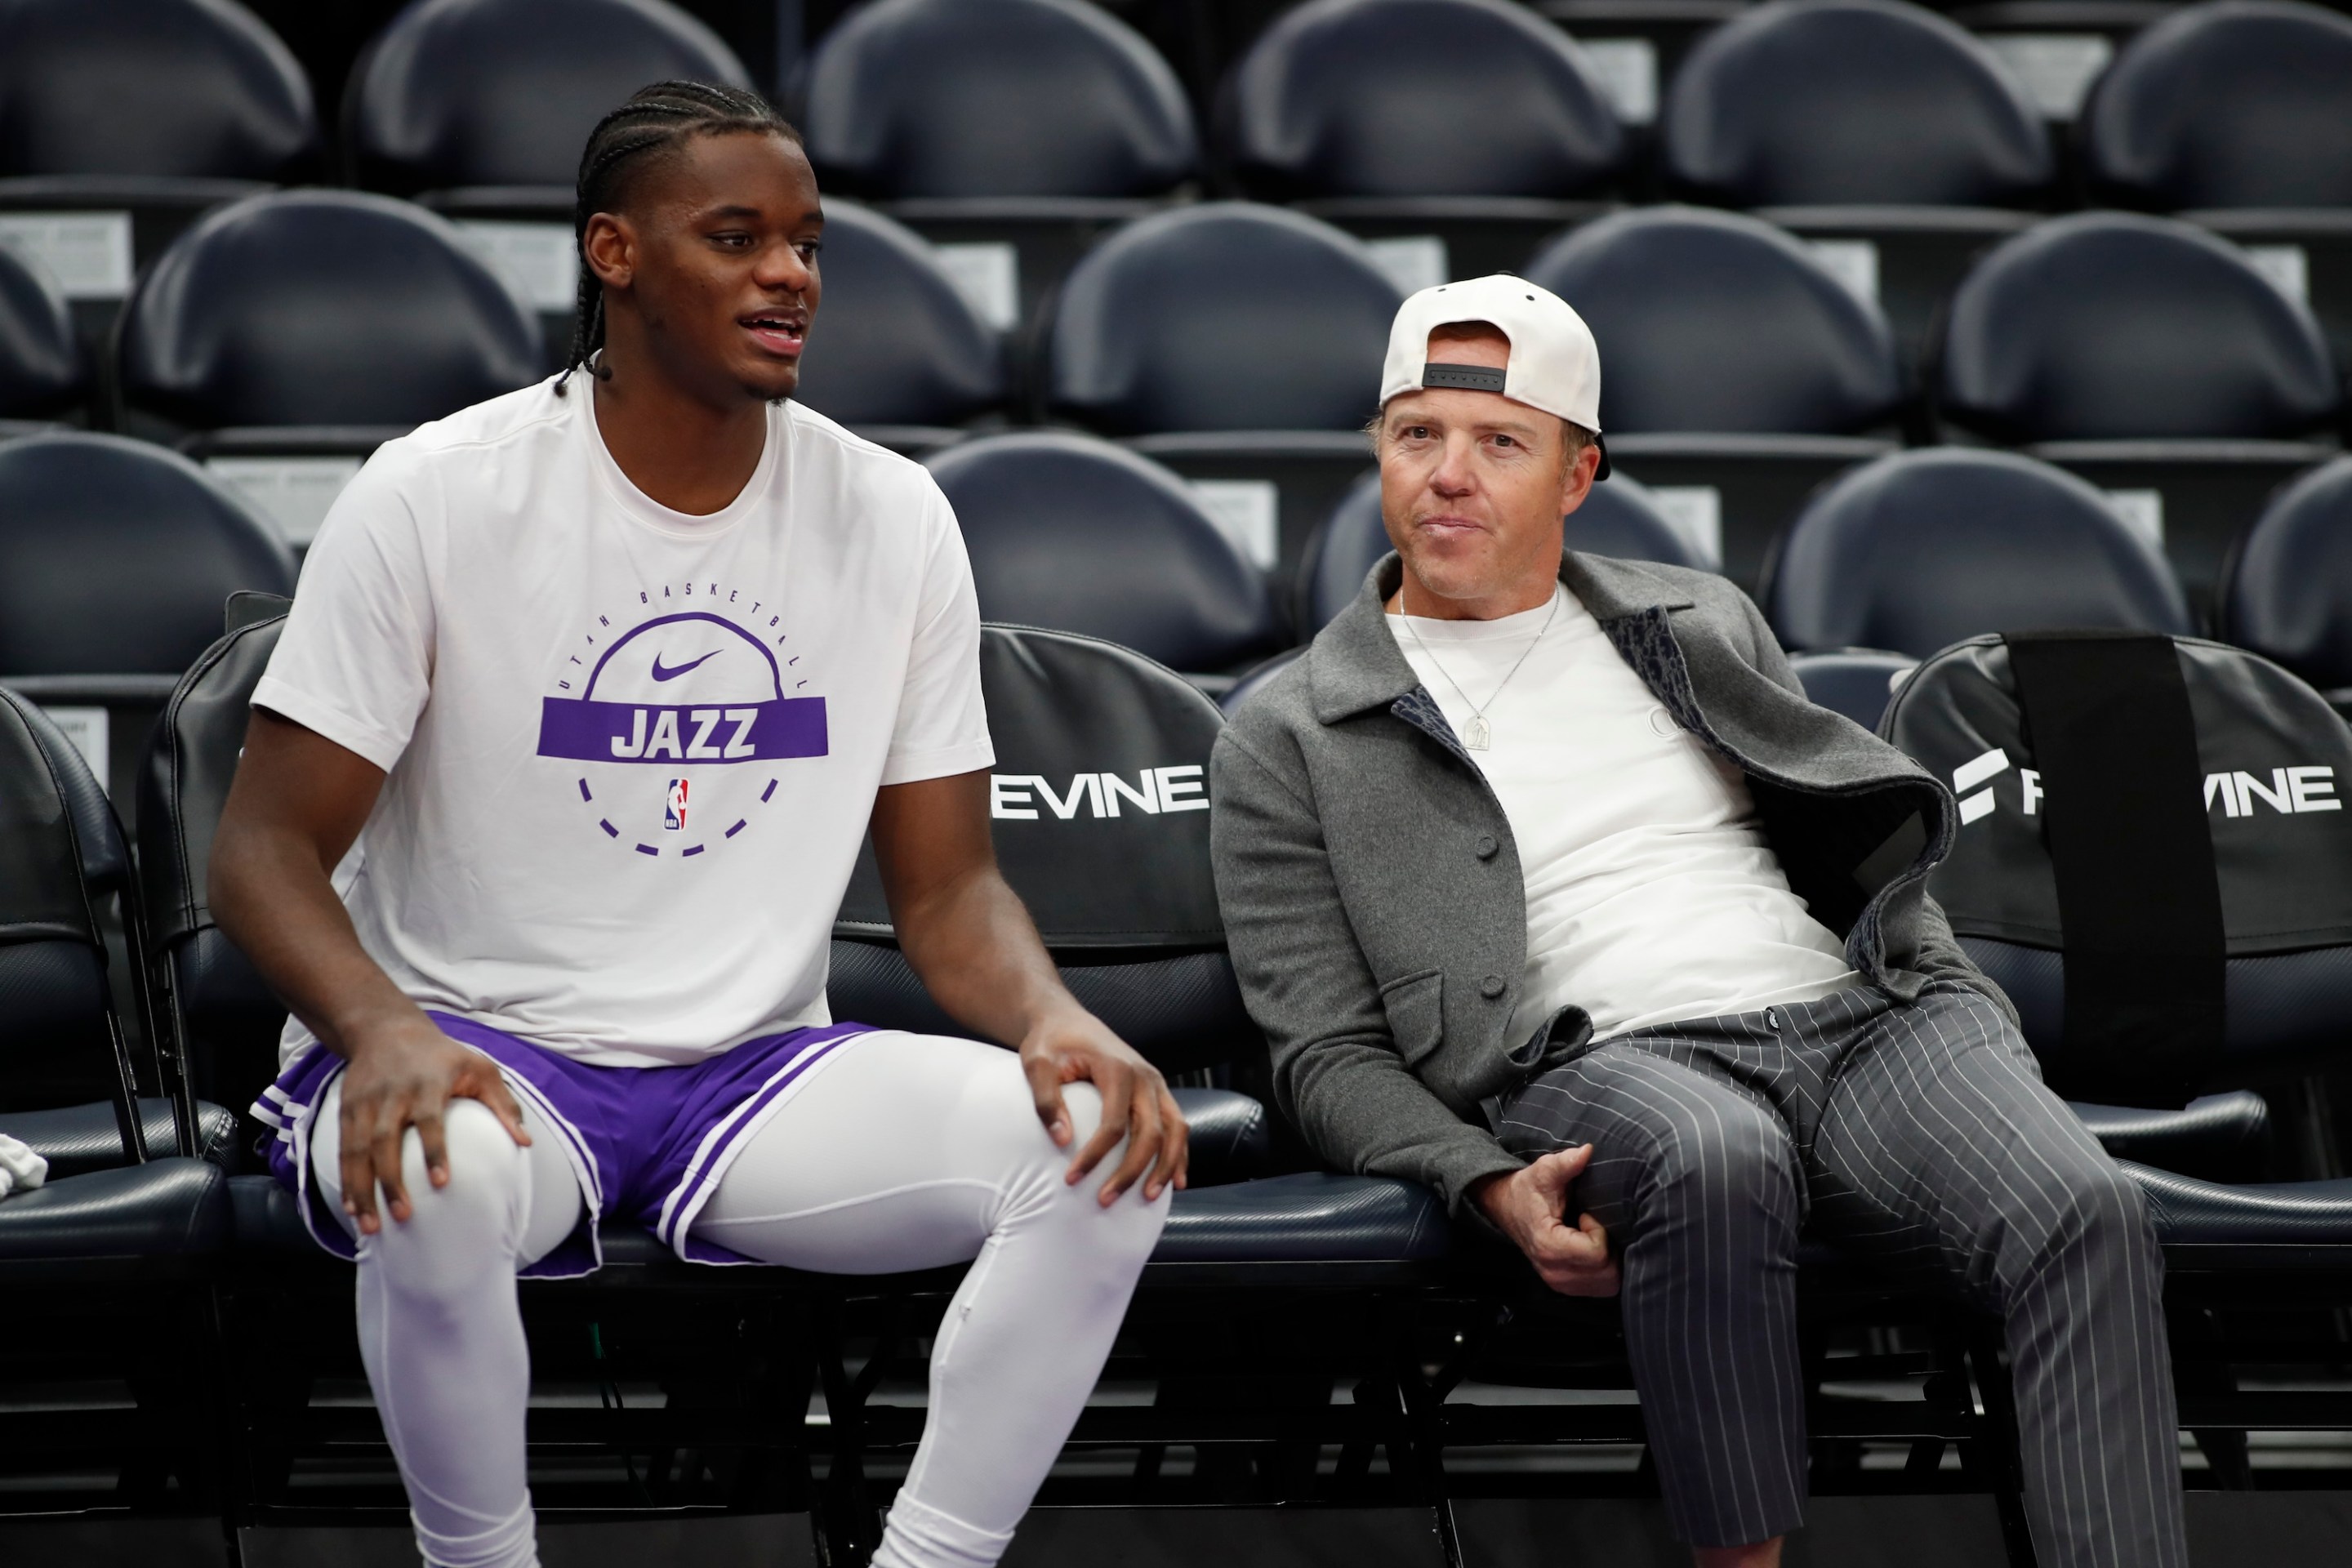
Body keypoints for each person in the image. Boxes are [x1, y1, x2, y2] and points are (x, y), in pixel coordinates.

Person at [212, 82, 1186, 1568]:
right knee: (436, 1169)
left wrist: (1052, 1018)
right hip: (478, 1049)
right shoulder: (436, 495)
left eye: (806, 242)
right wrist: (378, 1029)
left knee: (1095, 1148)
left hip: (752, 1072)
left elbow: (949, 896)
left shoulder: (898, 514)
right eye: (734, 237)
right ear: (614, 255)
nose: (789, 274)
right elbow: (260, 853)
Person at [1208, 274, 2185, 1567]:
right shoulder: (1289, 728)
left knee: (2087, 1212)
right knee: (1716, 1155)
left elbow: (1846, 850)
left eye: (1499, 442)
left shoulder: (1699, 619)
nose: (1447, 474)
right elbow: (1322, 1057)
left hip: (1863, 1023)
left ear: (1576, 475)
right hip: (1600, 1064)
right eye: (1415, 435)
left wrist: (1945, 993)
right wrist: (1481, 1180)